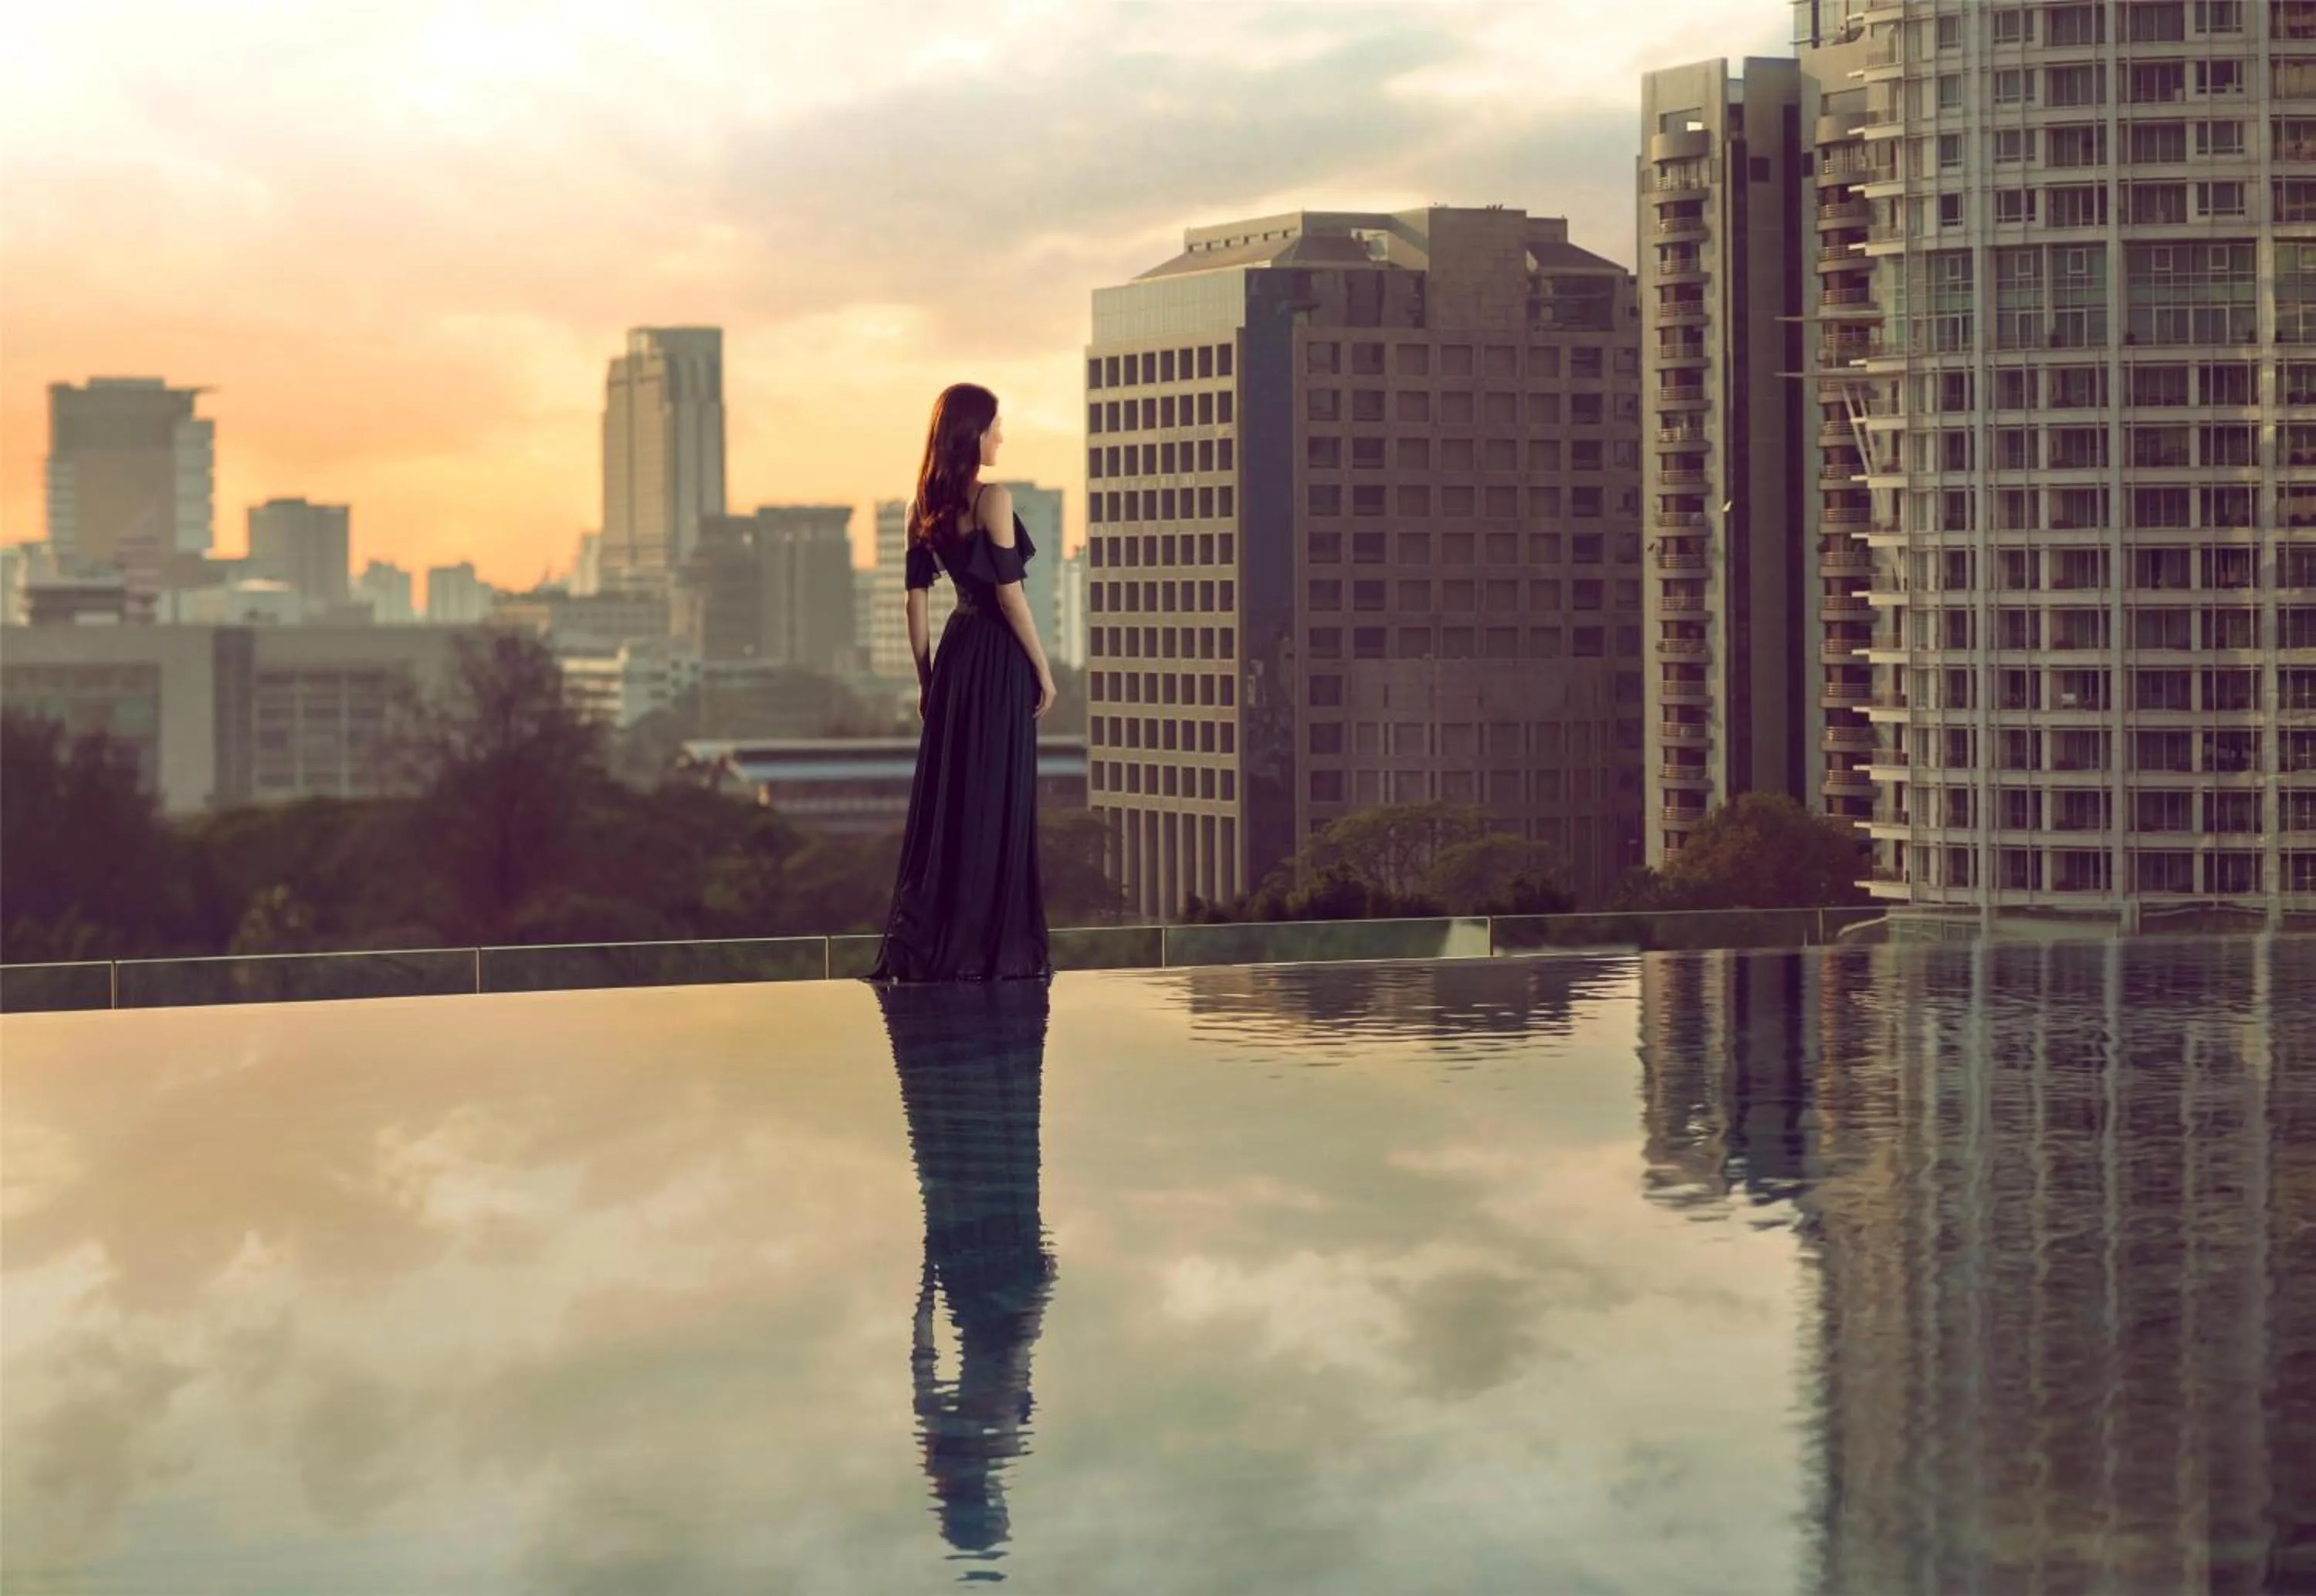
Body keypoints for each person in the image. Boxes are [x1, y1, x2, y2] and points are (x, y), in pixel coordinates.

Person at [868, 384, 1057, 983]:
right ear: (972, 434)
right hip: (998, 657)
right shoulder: (993, 498)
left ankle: (948, 942)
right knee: (997, 794)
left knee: (955, 796)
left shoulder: (920, 508)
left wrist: (928, 681)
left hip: (956, 656)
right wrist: (1043, 669)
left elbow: (914, 603)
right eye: (996, 427)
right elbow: (1010, 596)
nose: (1001, 437)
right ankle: (992, 946)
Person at [874, 979, 1057, 1571]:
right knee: (978, 1176)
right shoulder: (952, 1444)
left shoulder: (990, 1441)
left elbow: (1011, 1356)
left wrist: (1042, 1295)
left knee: (993, 1174)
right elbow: (924, 1357)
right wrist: (929, 1279)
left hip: (1000, 1295)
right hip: (974, 1293)